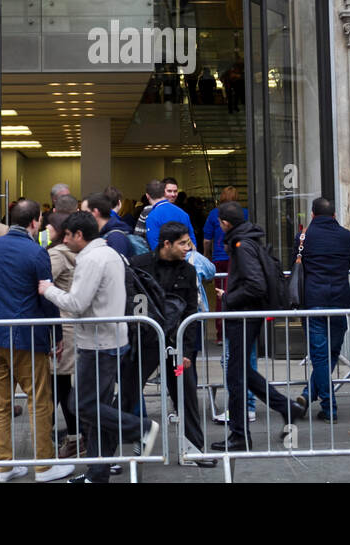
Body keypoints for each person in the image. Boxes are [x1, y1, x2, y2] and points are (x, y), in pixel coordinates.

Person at [40, 211, 159, 483]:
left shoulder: (92, 259)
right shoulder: (108, 254)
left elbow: (76, 303)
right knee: (95, 409)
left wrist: (47, 289)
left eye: (67, 236)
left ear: (79, 235)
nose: (64, 241)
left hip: (98, 344)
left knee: (81, 405)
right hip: (110, 340)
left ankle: (139, 428)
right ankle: (98, 473)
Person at [0, 198, 70, 481]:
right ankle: (44, 465)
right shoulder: (36, 253)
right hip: (28, 336)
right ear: (35, 222)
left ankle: (4, 465)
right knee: (39, 401)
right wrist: (55, 335)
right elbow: (46, 297)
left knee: (0, 402)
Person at [124, 221, 214, 465]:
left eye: (188, 242)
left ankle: (194, 449)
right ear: (166, 244)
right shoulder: (139, 265)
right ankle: (107, 455)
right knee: (126, 394)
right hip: (144, 342)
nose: (189, 247)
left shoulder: (187, 270)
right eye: (183, 243)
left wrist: (186, 350)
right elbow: (132, 302)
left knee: (186, 394)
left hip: (174, 343)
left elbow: (190, 314)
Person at [214, 202, 294, 451]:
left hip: (244, 317)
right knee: (240, 373)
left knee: (236, 376)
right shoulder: (246, 239)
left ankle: (240, 436)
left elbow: (255, 285)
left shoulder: (242, 245)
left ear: (224, 223)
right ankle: (287, 408)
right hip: (246, 316)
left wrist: (228, 298)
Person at [290, 197, 350, 423]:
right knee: (331, 353)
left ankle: (327, 406)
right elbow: (347, 264)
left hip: (313, 301)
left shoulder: (303, 237)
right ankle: (318, 399)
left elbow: (295, 266)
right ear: (334, 215)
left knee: (320, 357)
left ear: (313, 215)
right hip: (339, 300)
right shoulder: (346, 236)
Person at [43, 212, 80, 458]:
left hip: (62, 326)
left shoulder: (56, 255)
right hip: (69, 324)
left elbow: (44, 283)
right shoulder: (74, 254)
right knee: (61, 383)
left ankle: (71, 435)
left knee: (59, 383)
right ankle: (71, 435)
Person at [144, 178, 195, 252]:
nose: (173, 194)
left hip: (166, 260)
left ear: (147, 196)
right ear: (163, 192)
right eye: (169, 191)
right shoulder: (183, 213)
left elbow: (155, 246)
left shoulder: (152, 215)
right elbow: (192, 242)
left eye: (175, 191)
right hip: (184, 257)